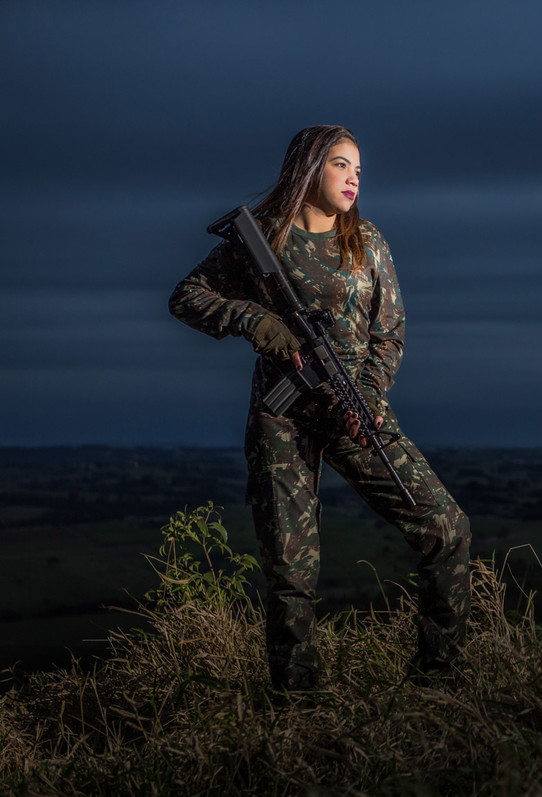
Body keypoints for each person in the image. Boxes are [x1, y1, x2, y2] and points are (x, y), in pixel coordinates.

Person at [168, 125, 471, 692]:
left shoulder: (368, 242)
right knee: (291, 569)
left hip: (356, 410)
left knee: (446, 527)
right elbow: (187, 297)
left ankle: (439, 681)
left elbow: (389, 333)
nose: (354, 178)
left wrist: (370, 396)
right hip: (282, 416)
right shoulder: (261, 239)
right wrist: (256, 320)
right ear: (308, 168)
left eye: (359, 168)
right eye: (340, 164)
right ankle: (296, 704)